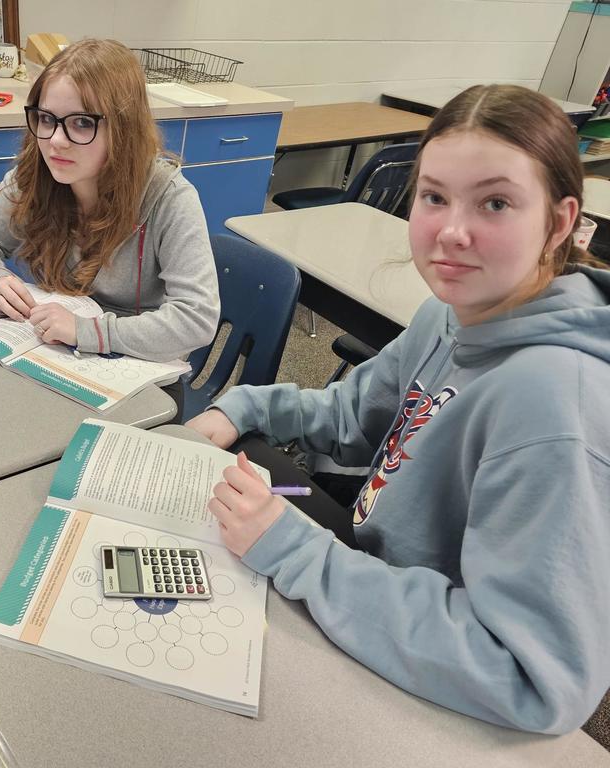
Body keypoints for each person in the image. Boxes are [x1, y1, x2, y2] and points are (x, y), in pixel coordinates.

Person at [187, 84, 610, 734]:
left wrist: (302, 554)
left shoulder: (554, 403)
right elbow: (353, 416)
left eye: (495, 203)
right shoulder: (450, 312)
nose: (452, 231)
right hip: (367, 565)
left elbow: (532, 676)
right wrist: (244, 407)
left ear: (557, 222)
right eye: (434, 197)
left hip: (427, 667)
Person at [0, 38, 219, 416]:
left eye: (81, 123)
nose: (55, 141)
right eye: (46, 119)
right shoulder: (35, 177)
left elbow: (196, 320)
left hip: (138, 376)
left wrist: (85, 331)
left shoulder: (169, 197)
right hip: (55, 361)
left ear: (123, 128)